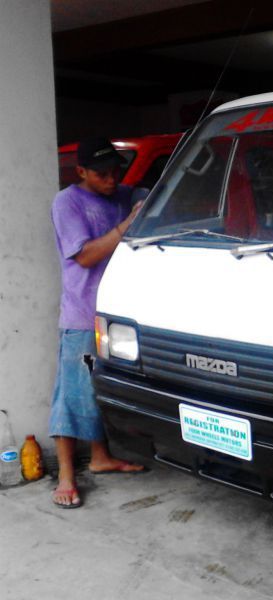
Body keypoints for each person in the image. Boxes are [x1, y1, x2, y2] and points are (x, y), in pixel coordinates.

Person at [49, 137, 145, 508]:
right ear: (81, 172)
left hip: (118, 315)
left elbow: (154, 193)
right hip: (82, 316)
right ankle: (66, 476)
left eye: (115, 171)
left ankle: (101, 458)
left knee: (99, 391)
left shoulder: (122, 194)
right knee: (72, 394)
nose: (110, 179)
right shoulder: (68, 202)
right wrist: (128, 224)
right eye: (101, 174)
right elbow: (86, 256)